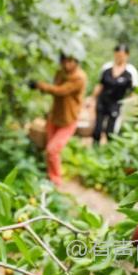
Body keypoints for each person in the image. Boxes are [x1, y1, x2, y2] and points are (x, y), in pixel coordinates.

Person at [30, 53, 87, 186]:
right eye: (64, 62)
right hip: (54, 117)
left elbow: (60, 91)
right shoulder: (60, 73)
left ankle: (57, 181)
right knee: (50, 151)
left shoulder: (79, 77)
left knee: (52, 150)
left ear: (76, 61)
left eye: (70, 61)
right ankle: (50, 177)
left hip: (69, 120)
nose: (67, 65)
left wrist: (40, 85)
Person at [92, 44, 138, 144]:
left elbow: (134, 91)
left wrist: (134, 106)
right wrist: (92, 98)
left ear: (127, 55)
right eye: (117, 55)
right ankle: (94, 149)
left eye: (122, 55)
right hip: (102, 100)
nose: (119, 57)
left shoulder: (130, 72)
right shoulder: (107, 67)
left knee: (111, 130)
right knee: (97, 128)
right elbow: (100, 85)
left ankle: (109, 150)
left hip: (116, 103)